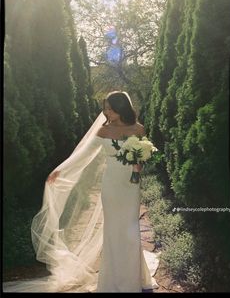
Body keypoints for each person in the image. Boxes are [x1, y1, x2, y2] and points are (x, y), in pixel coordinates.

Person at [8, 91, 158, 293]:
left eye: (110, 109)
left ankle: (133, 279)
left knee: (131, 231)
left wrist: (139, 165)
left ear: (122, 108)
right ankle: (112, 281)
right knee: (114, 231)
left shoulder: (138, 128)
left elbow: (143, 153)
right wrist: (60, 172)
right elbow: (82, 153)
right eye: (105, 108)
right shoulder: (103, 131)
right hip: (111, 185)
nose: (107, 112)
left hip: (131, 186)